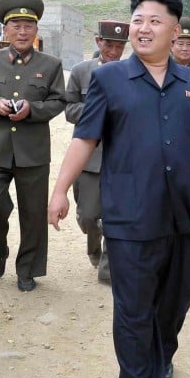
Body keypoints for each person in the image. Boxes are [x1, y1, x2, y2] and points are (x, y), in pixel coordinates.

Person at [47, 0, 190, 378]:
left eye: (154, 20)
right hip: (131, 214)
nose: (143, 27)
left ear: (175, 31)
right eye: (137, 19)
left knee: (179, 295)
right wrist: (60, 189)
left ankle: (159, 351)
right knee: (132, 309)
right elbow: (85, 138)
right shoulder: (110, 80)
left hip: (186, 212)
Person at [0, 0, 66, 292]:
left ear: (36, 30)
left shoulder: (51, 64)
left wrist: (33, 109)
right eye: (15, 25)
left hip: (33, 152)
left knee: (33, 215)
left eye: (28, 25)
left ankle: (27, 268)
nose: (22, 31)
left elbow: (58, 102)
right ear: (5, 30)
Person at [64, 19, 130, 282]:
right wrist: (98, 113)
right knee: (89, 216)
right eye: (109, 45)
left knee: (116, 215)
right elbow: (69, 110)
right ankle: (93, 248)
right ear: (97, 42)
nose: (113, 52)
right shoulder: (81, 71)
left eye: (119, 47)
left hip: (122, 156)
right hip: (89, 158)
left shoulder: (133, 72)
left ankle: (108, 267)